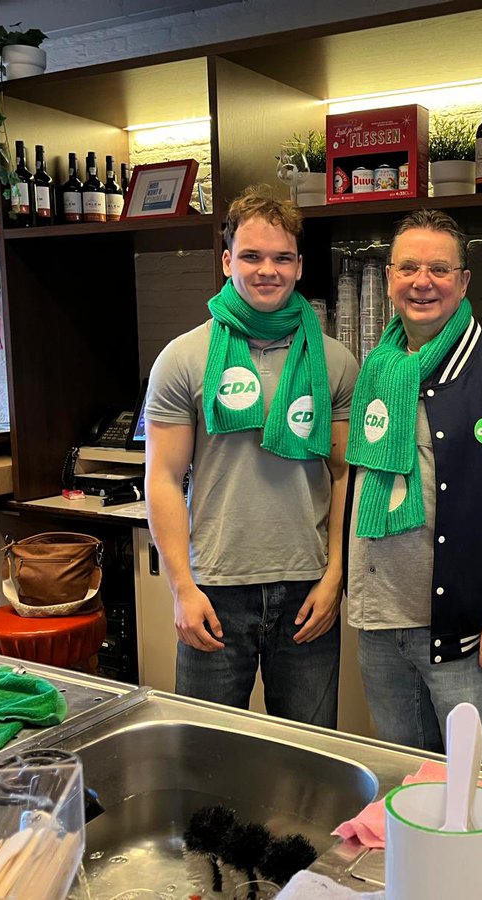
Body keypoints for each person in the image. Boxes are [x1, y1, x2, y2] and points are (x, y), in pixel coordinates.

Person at [143, 185, 358, 728]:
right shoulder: (183, 358)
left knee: (308, 758)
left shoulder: (335, 362)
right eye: (252, 256)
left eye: (282, 258)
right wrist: (181, 589)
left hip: (307, 591)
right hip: (213, 591)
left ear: (300, 266)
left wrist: (335, 577)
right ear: (226, 261)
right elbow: (163, 478)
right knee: (208, 757)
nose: (268, 270)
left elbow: (344, 475)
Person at [344, 209, 482, 766]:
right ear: (389, 277)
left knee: (474, 790)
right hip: (380, 623)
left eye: (439, 269)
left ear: (464, 280)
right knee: (402, 787)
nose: (422, 282)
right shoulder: (378, 367)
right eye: (409, 268)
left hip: (463, 631)